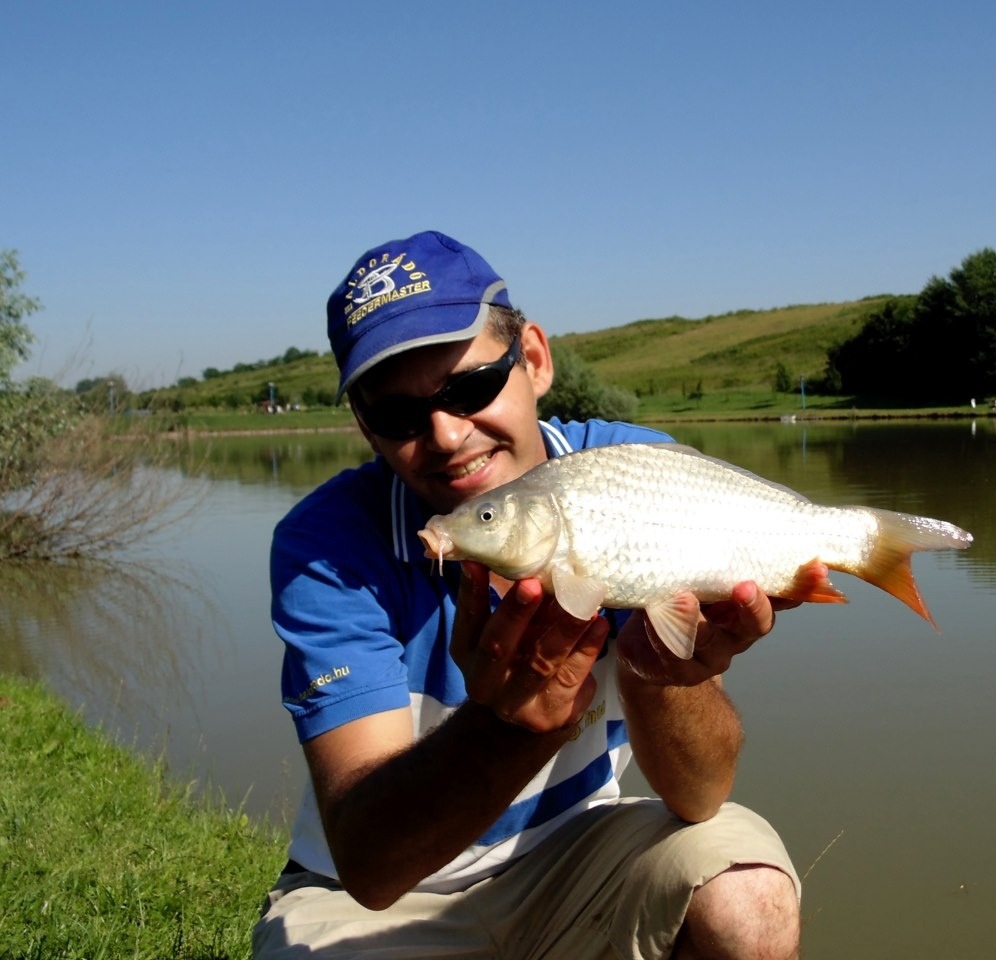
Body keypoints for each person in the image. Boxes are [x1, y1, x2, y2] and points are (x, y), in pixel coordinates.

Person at [253, 230, 802, 959]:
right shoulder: (324, 546)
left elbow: (699, 797)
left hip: (577, 851)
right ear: (364, 426)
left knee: (750, 902)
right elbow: (372, 867)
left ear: (534, 360)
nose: (447, 436)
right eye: (398, 416)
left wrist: (663, 672)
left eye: (471, 386)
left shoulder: (634, 473)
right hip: (368, 903)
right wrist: (509, 725)